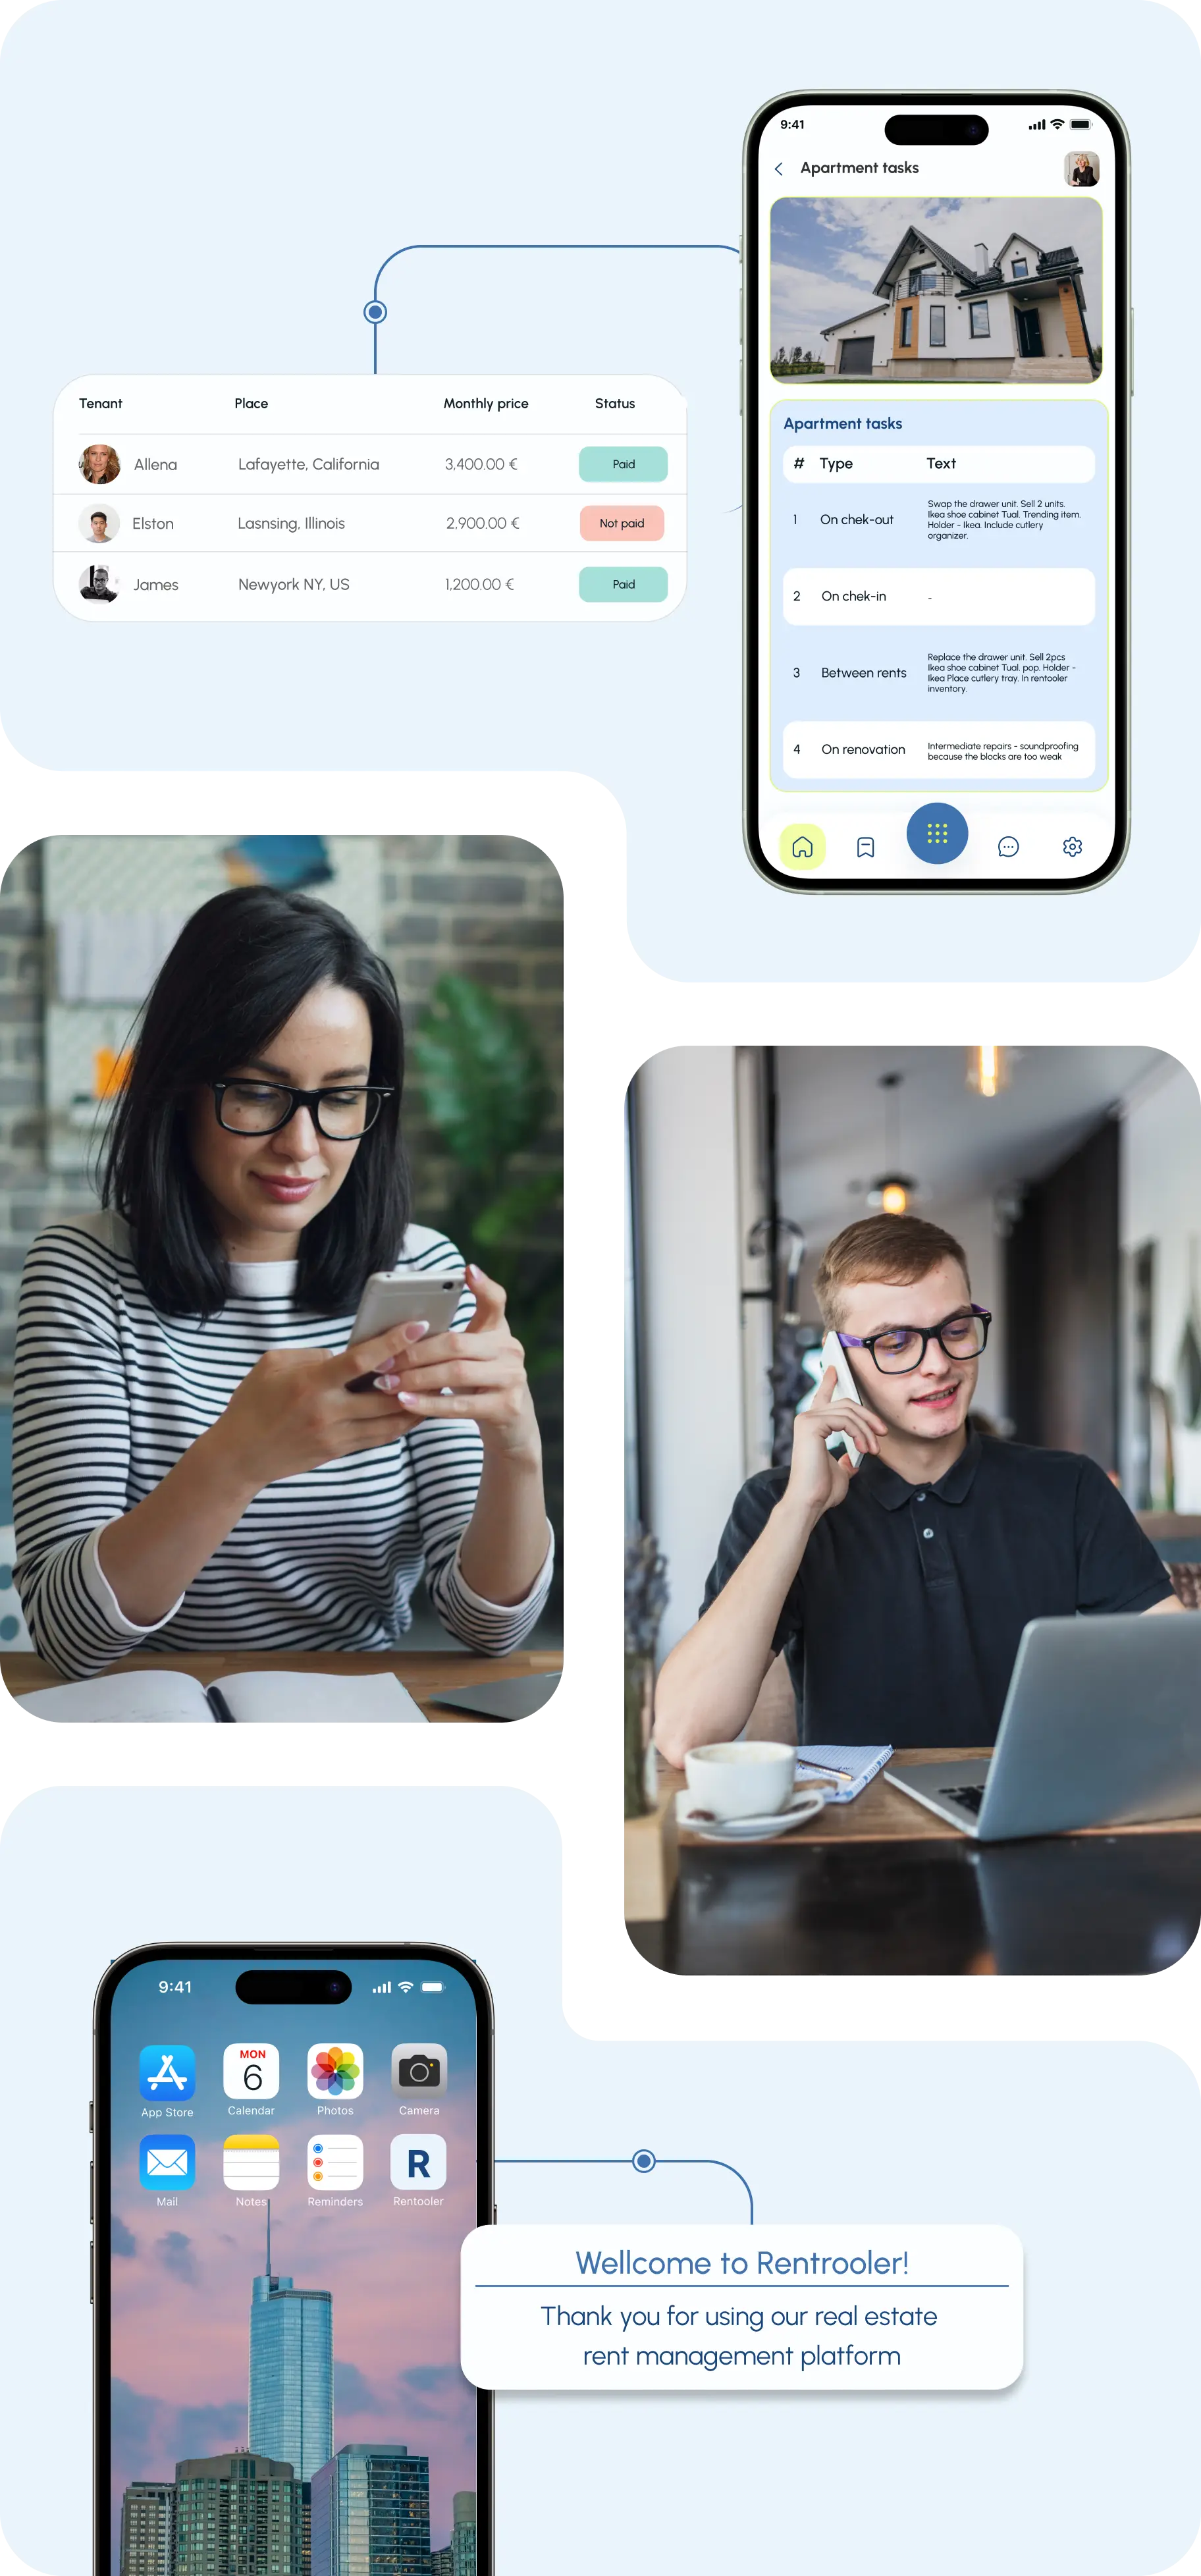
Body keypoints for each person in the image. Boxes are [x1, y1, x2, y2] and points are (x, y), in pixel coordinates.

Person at [12, 886, 554, 1679]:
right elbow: (68, 1637)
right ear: (181, 1089)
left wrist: (517, 1449)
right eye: (259, 1092)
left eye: (340, 1097)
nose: (301, 1145)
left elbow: (489, 1627)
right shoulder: (84, 1272)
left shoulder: (421, 1270)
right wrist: (237, 1459)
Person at [653, 1213, 1181, 1761]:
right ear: (839, 1360)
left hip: (1034, 1823)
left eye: (955, 1330)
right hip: (861, 1836)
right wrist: (802, 1509)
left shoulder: (1070, 1487)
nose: (937, 1365)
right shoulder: (776, 1505)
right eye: (896, 1342)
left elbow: (1179, 1674)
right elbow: (685, 1734)